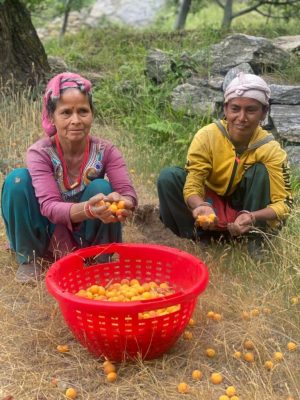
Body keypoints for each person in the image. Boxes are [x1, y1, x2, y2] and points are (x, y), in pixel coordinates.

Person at [1, 72, 138, 283]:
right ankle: (31, 258)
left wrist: (122, 202)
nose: (76, 120)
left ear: (92, 114)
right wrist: (88, 209)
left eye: (83, 111)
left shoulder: (107, 151)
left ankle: (101, 257)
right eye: (66, 112)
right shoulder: (40, 152)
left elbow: (128, 193)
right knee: (17, 181)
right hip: (48, 232)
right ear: (52, 118)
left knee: (102, 186)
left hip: (86, 235)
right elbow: (48, 206)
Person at [157, 73, 293, 253]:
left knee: (260, 172)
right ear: (226, 108)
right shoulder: (208, 136)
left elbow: (284, 204)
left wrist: (252, 216)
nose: (242, 118)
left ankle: (254, 243)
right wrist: (200, 206)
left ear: (264, 112)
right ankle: (198, 238)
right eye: (235, 109)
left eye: (251, 110)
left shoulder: (271, 149)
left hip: (243, 211)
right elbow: (193, 183)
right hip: (211, 203)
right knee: (169, 177)